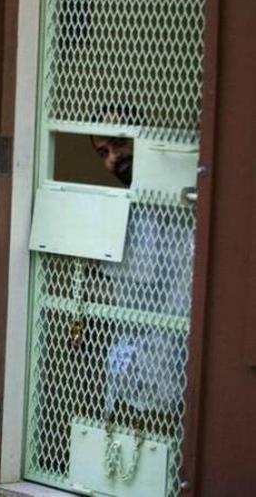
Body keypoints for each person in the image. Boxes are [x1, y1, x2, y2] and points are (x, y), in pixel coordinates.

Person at [90, 128, 193, 435]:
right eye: (103, 153)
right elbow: (126, 287)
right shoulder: (123, 204)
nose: (113, 158)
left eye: (119, 143)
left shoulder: (182, 195)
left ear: (143, 137)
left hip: (179, 346)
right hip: (138, 351)